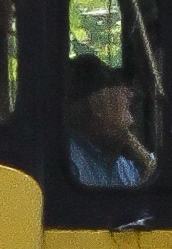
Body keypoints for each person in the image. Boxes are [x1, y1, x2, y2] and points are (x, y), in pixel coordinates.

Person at [68, 54, 158, 190]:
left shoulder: (125, 168)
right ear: (96, 103)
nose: (130, 95)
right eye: (118, 85)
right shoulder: (69, 162)